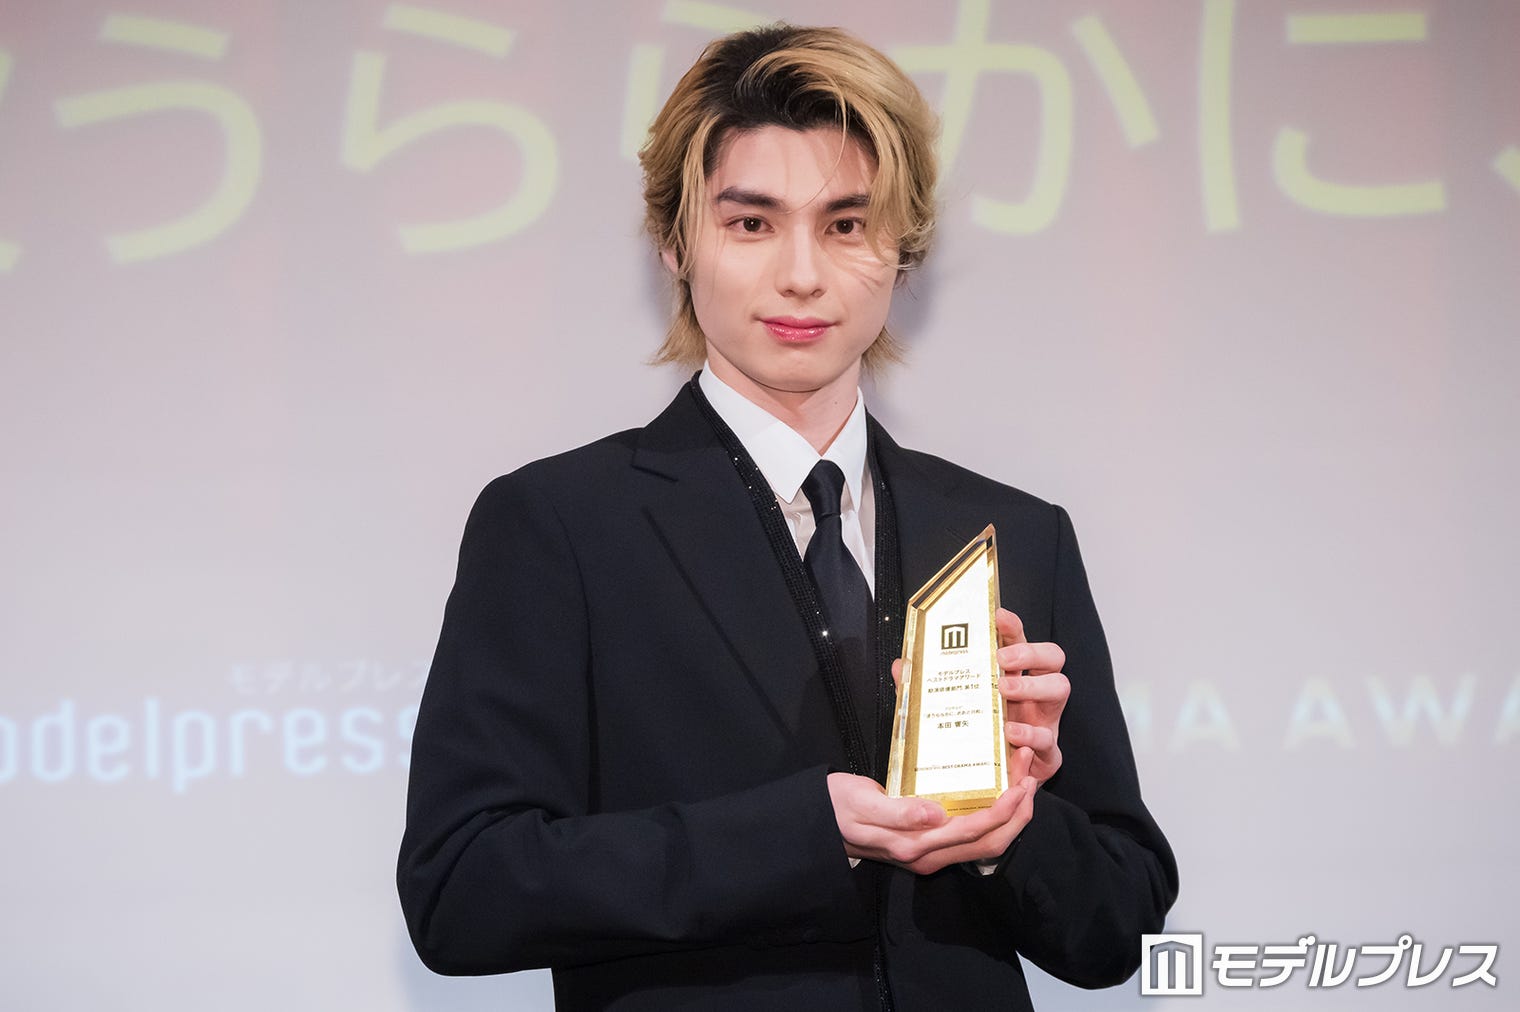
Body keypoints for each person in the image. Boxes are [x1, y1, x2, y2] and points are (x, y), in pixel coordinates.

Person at [398, 23, 1177, 1011]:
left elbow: (1120, 923)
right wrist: (806, 834)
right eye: (751, 224)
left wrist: (1009, 826)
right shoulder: (561, 526)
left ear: (903, 251)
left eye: (846, 225)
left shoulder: (1012, 532)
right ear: (675, 243)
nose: (802, 274)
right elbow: (462, 888)